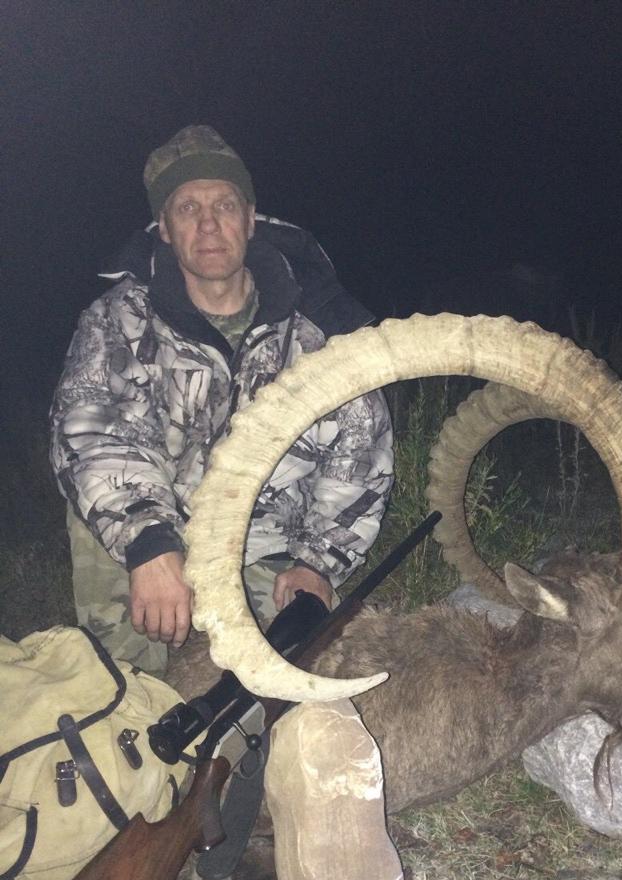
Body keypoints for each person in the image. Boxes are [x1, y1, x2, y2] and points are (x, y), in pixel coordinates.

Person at [50, 126, 393, 678]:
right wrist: (149, 543)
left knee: (278, 689)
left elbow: (360, 453)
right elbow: (91, 435)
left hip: (265, 551)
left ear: (250, 218)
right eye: (187, 207)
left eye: (223, 205)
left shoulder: (320, 332)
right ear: (163, 228)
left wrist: (316, 566)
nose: (208, 224)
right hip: (159, 538)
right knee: (129, 697)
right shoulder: (118, 319)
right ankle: (129, 677)